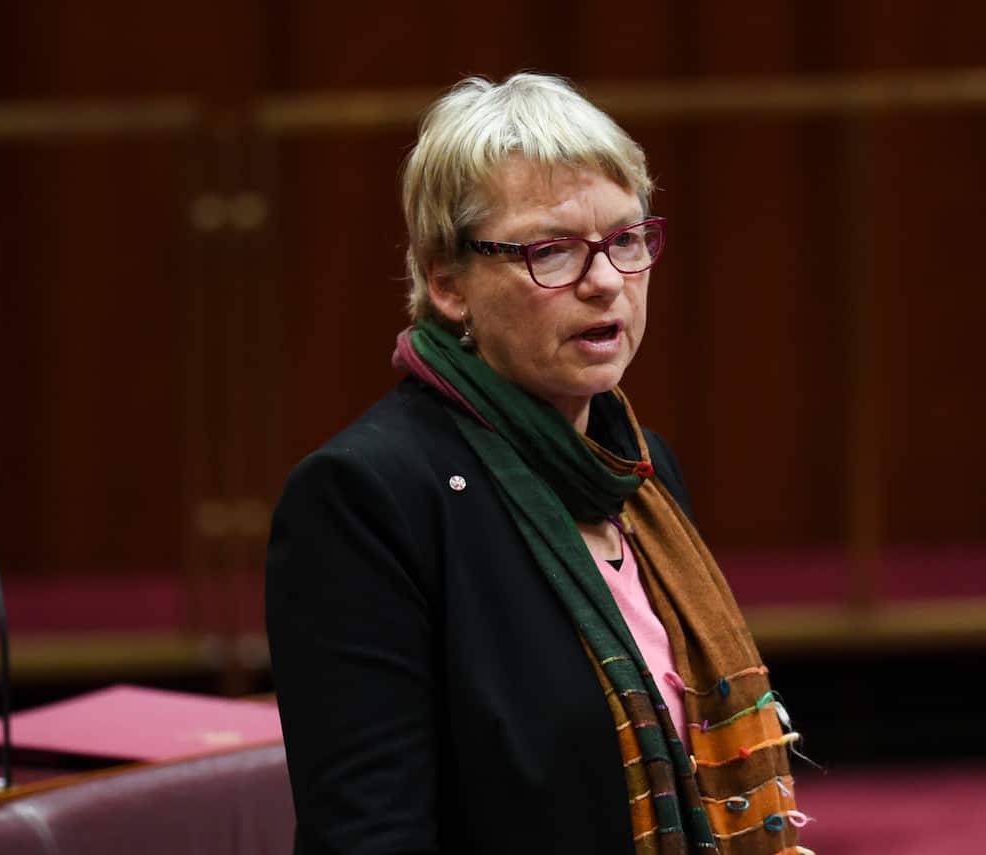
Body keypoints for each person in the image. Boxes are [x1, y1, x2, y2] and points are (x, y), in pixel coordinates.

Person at [266, 72, 808, 855]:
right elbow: (369, 835)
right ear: (449, 282)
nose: (604, 282)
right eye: (552, 250)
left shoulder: (639, 470)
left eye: (626, 239)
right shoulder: (367, 498)